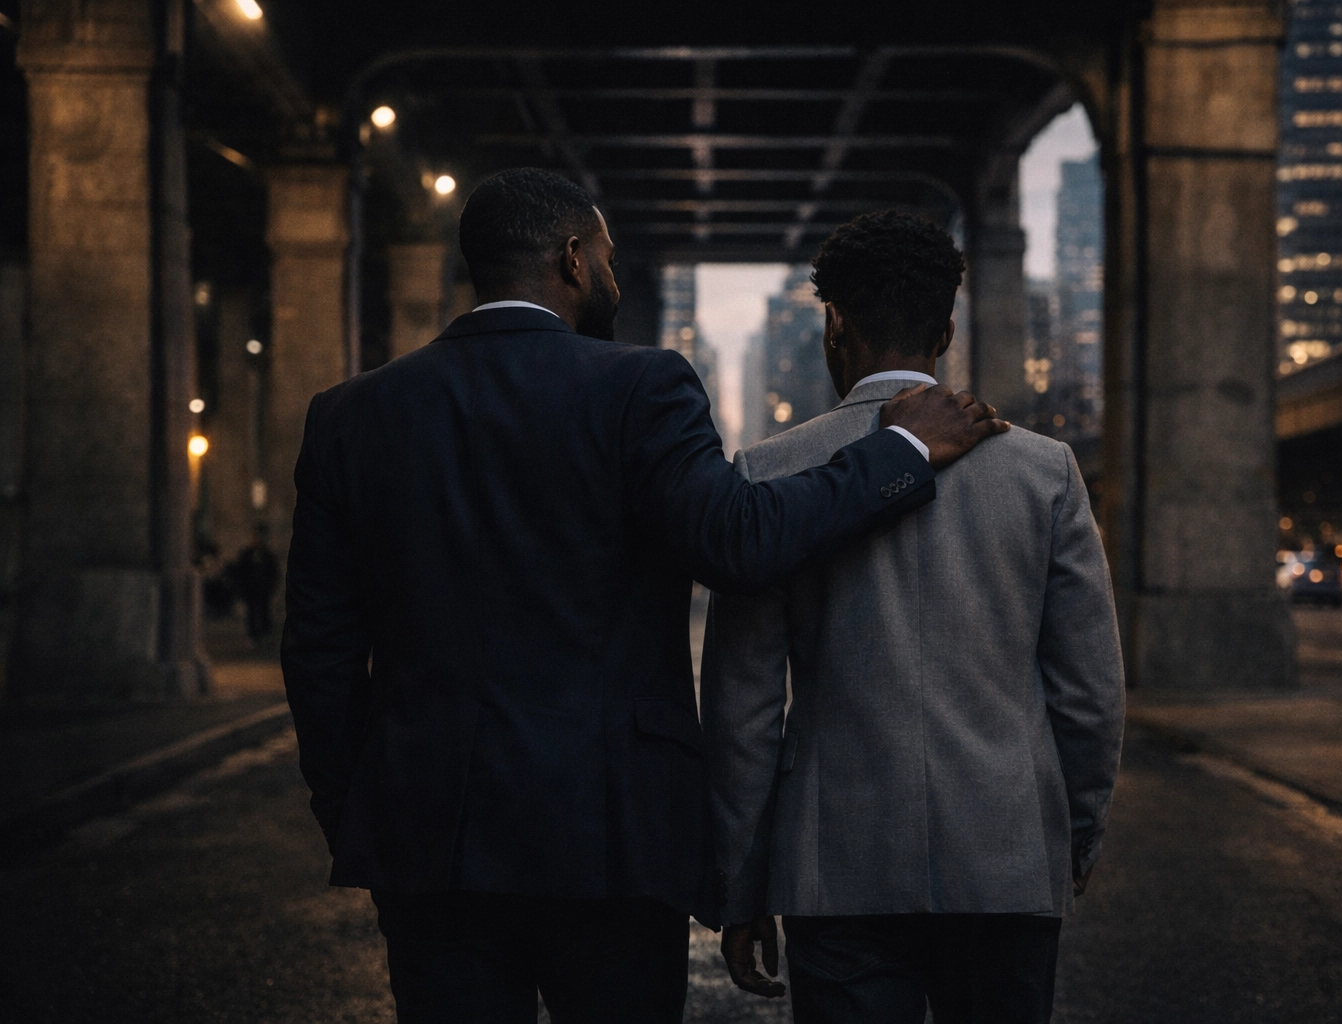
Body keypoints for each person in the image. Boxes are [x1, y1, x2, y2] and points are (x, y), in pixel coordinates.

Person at [280, 169, 1007, 1024]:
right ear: (574, 259)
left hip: (428, 838)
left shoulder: (350, 416)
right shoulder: (640, 388)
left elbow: (319, 650)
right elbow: (738, 539)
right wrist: (901, 453)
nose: (615, 278)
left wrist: (358, 812)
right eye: (611, 258)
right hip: (613, 837)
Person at [702, 211, 1126, 1024]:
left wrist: (744, 876)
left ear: (835, 326)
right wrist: (1072, 829)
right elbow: (1088, 690)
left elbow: (744, 710)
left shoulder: (768, 474)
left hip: (839, 867)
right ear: (947, 331)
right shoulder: (1045, 472)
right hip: (1004, 857)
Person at [231, 525, 278, 641]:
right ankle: (253, 635)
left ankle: (265, 633)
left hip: (263, 589)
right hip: (250, 589)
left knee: (264, 611)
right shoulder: (246, 554)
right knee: (251, 613)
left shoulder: (267, 554)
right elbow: (240, 571)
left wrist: (270, 585)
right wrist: (242, 587)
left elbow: (273, 572)